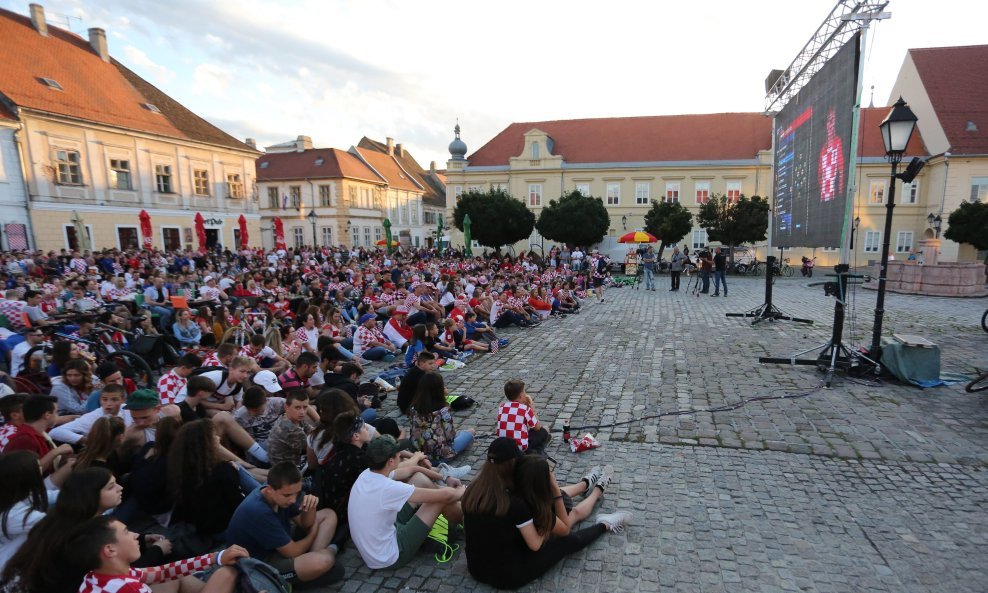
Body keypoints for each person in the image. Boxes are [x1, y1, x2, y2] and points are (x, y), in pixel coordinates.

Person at [462, 446, 631, 590]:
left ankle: (586, 486)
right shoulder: (518, 504)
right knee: (567, 540)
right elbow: (538, 544)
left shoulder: (475, 489)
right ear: (512, 465)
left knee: (557, 512)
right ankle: (605, 523)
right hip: (509, 576)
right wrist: (547, 509)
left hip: (476, 568)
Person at [347, 435, 464, 570]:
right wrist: (463, 491)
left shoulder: (368, 473)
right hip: (389, 555)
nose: (401, 456)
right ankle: (464, 517)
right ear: (391, 461)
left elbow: (413, 470)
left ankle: (456, 513)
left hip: (379, 540)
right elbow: (446, 496)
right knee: (440, 500)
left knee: (420, 479)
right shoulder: (388, 488)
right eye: (399, 454)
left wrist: (445, 477)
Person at [224, 461, 343, 588]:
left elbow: (305, 523)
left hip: (278, 546)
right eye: (287, 495)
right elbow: (293, 552)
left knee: (329, 515)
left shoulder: (280, 495)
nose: (292, 500)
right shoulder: (259, 511)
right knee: (326, 562)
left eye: (297, 493)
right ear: (270, 489)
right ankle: (319, 557)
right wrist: (314, 533)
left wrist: (311, 506)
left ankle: (311, 560)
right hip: (258, 564)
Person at [69, 515, 246, 593]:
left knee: (171, 576)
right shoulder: (127, 588)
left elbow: (162, 573)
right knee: (226, 574)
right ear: (110, 550)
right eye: (126, 532)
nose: (136, 535)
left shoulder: (99, 577)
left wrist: (217, 557)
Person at [408, 372, 474, 463]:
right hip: (440, 456)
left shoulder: (413, 408)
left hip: (419, 453)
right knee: (471, 432)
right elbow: (450, 437)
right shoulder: (443, 410)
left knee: (461, 434)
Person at [0, 451, 48, 573]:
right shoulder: (14, 515)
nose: (42, 468)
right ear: (28, 477)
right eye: (38, 467)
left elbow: (51, 495)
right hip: (5, 571)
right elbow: (53, 523)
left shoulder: (11, 497)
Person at [497, 378, 549, 453]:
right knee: (545, 430)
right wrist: (531, 407)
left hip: (503, 445)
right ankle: (535, 451)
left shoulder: (502, 407)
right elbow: (537, 428)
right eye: (524, 392)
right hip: (519, 448)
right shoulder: (525, 409)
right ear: (521, 396)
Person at [266, 390, 311, 468]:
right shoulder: (290, 428)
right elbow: (314, 448)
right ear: (286, 407)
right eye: (297, 408)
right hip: (286, 469)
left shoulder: (292, 417)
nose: (302, 412)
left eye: (305, 407)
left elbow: (310, 430)